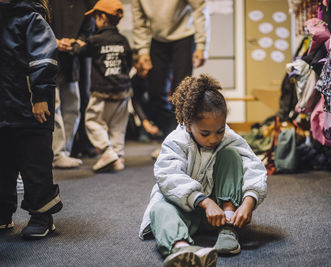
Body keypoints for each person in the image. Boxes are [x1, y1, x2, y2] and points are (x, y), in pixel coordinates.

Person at [138, 74, 268, 266]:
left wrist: (249, 201)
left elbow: (253, 166)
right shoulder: (176, 141)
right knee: (158, 209)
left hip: (219, 216)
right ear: (189, 125)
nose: (214, 138)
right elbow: (168, 176)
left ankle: (228, 229)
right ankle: (182, 249)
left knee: (232, 155)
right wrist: (204, 202)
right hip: (186, 213)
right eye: (205, 133)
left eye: (220, 130)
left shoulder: (229, 137)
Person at [0, 0, 63, 239]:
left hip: (31, 107)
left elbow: (44, 57)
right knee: (2, 165)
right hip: (4, 108)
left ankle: (42, 216)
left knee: (34, 164)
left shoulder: (30, 17)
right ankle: (3, 214)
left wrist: (41, 95)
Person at [132, 0, 210, 139]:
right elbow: (139, 19)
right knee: (155, 93)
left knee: (181, 93)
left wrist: (201, 45)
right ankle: (168, 138)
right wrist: (142, 50)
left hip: (184, 37)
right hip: (157, 39)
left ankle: (180, 140)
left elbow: (200, 9)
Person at [74, 0, 133, 172]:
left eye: (96, 18)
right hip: (123, 90)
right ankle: (118, 157)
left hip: (101, 91)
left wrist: (74, 44)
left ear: (102, 18)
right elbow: (128, 64)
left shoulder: (95, 41)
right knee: (118, 126)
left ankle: (107, 151)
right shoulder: (123, 40)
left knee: (93, 121)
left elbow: (80, 52)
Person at [48, 0, 96, 168]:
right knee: (54, 107)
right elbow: (36, 23)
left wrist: (77, 42)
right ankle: (56, 153)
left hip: (72, 58)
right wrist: (54, 41)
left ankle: (65, 151)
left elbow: (89, 26)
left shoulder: (86, 3)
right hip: (48, 56)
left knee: (72, 107)